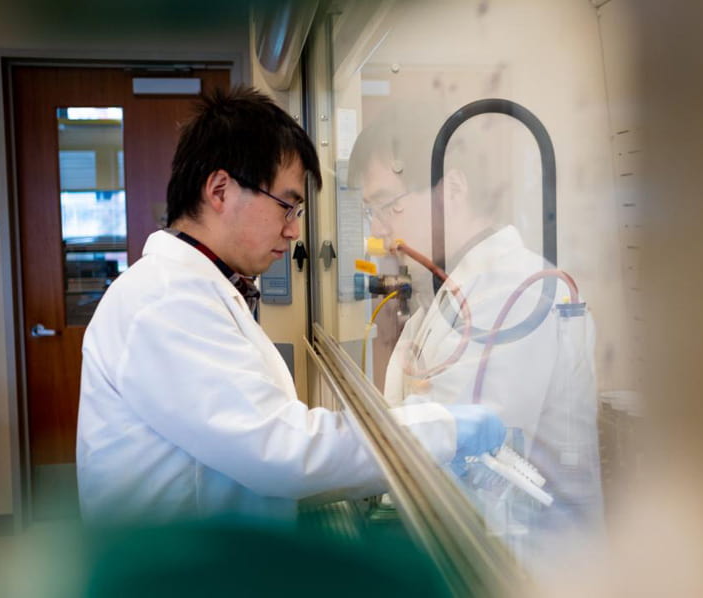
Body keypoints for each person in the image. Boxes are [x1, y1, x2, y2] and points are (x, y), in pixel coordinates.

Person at [76, 86, 504, 525]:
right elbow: (283, 451)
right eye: (287, 207)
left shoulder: (203, 290)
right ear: (220, 190)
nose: (293, 231)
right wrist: (443, 429)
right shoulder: (164, 302)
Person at [348, 106, 604, 548]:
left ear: (454, 190)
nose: (380, 228)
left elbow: (466, 453)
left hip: (532, 562)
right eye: (372, 211)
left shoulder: (514, 293)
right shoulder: (452, 289)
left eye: (389, 205)